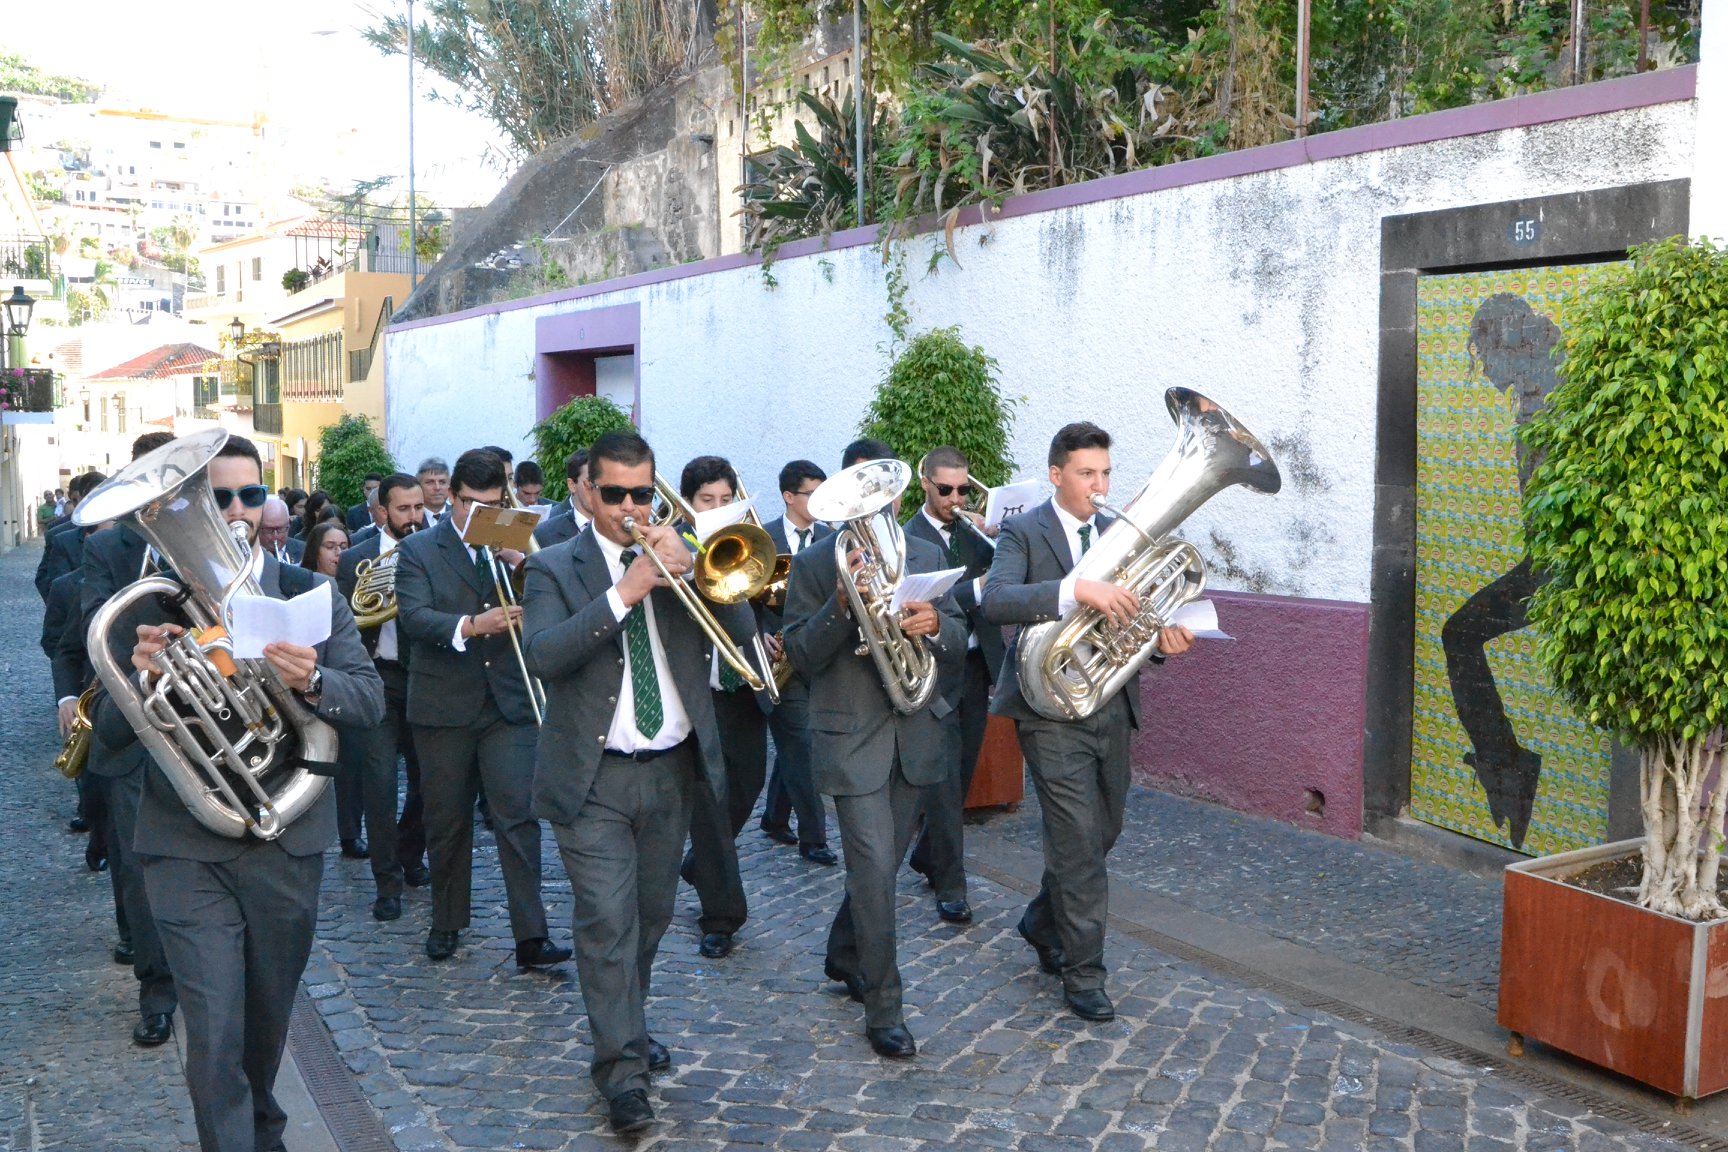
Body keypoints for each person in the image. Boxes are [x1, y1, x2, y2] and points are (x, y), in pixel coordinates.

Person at [90, 433, 384, 1151]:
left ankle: (262, 1125)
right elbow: (104, 743)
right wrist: (142, 680)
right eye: (215, 497)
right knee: (215, 1023)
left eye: (250, 495)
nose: (237, 510)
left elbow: (369, 702)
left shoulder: (309, 594)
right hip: (186, 845)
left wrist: (310, 680)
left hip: (287, 839)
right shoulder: (146, 608)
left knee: (264, 1019)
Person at [521, 430, 754, 1134]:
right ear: (588, 490)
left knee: (650, 918)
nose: (630, 507)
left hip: (671, 772)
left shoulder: (677, 556)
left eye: (642, 493)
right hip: (593, 779)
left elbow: (739, 629)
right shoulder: (554, 566)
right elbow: (542, 654)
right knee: (604, 923)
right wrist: (625, 592)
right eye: (615, 493)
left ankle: (628, 1022)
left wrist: (706, 574)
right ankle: (620, 1071)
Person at [983, 421, 1193, 1023]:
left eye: (1104, 473)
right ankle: (1084, 974)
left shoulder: (1115, 534)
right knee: (1077, 844)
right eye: (1086, 473)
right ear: (1057, 475)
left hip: (1108, 705)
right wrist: (1078, 590)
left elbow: (1134, 623)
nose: (1099, 485)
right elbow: (996, 600)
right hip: (1046, 711)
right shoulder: (1025, 532)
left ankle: (1041, 920)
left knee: (1103, 833)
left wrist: (1161, 642)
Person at [783, 437, 966, 1060]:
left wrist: (937, 625)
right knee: (872, 867)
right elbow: (800, 657)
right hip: (852, 738)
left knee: (880, 868)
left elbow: (961, 634)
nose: (874, 506)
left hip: (914, 732)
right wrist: (839, 607)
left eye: (882, 492)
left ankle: (842, 954)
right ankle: (885, 1006)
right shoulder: (813, 565)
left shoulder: (920, 550)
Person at [393, 448, 569, 967]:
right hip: (444, 704)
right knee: (447, 822)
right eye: (472, 504)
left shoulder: (509, 534)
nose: (483, 515)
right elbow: (415, 618)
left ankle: (531, 936)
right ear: (450, 498)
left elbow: (549, 600)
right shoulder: (420, 549)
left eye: (494, 504)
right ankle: (447, 920)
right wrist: (471, 626)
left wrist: (527, 565)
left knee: (518, 817)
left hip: (507, 703)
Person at [674, 454, 774, 959]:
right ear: (688, 504)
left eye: (724, 499)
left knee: (749, 781)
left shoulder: (745, 541)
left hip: (741, 688)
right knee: (709, 801)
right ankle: (722, 914)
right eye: (706, 501)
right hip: (696, 693)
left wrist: (769, 634)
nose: (717, 508)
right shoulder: (674, 548)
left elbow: (769, 606)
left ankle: (700, 865)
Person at [903, 447, 1006, 924]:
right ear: (926, 484)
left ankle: (929, 854)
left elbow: (1004, 586)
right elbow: (931, 602)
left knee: (961, 774)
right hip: (933, 670)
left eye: (963, 489)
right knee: (942, 784)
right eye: (945, 489)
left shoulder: (975, 534)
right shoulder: (908, 539)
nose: (955, 498)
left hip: (975, 666)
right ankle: (952, 885)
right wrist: (977, 588)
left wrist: (1000, 539)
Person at [336, 473, 432, 920]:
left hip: (427, 677)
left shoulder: (435, 548)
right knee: (378, 783)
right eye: (403, 510)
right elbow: (344, 625)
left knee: (428, 782)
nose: (414, 518)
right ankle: (387, 882)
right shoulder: (355, 559)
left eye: (418, 509)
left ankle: (411, 852)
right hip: (377, 679)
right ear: (382, 512)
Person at [758, 459, 836, 863]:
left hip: (817, 655)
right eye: (811, 494)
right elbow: (743, 597)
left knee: (794, 743)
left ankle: (773, 817)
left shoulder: (831, 539)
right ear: (789, 497)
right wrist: (759, 635)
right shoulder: (761, 538)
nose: (820, 501)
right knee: (802, 745)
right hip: (778, 660)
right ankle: (815, 838)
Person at [534, 450, 593, 547]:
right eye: (590, 483)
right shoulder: (545, 531)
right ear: (572, 485)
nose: (597, 489)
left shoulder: (616, 526)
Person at [258, 497, 305, 564]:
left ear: (288, 525)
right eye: (269, 529)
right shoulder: (247, 552)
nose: (275, 536)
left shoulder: (304, 551)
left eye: (281, 529)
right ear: (258, 527)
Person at [415, 457, 450, 524]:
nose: (437, 487)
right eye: (430, 482)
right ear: (419, 485)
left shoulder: (460, 516)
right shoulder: (412, 518)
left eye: (442, 482)